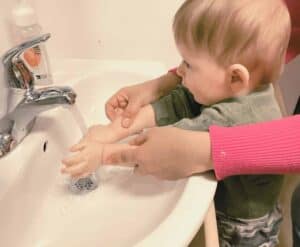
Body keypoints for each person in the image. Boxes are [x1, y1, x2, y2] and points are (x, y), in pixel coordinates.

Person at [62, 0, 291, 245]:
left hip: (243, 230)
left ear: (235, 76)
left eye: (189, 64)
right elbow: (179, 102)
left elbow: (158, 150)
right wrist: (112, 131)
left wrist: (103, 153)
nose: (179, 71)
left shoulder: (236, 118)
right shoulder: (238, 88)